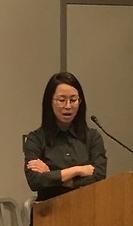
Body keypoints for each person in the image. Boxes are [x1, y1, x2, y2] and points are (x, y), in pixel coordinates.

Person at [23, 71, 107, 203]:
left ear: (80, 102)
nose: (68, 106)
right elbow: (35, 181)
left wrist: (54, 176)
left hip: (86, 208)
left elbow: (99, 176)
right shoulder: (35, 139)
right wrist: (77, 170)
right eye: (61, 100)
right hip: (49, 211)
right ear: (50, 102)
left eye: (73, 100)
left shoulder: (93, 137)